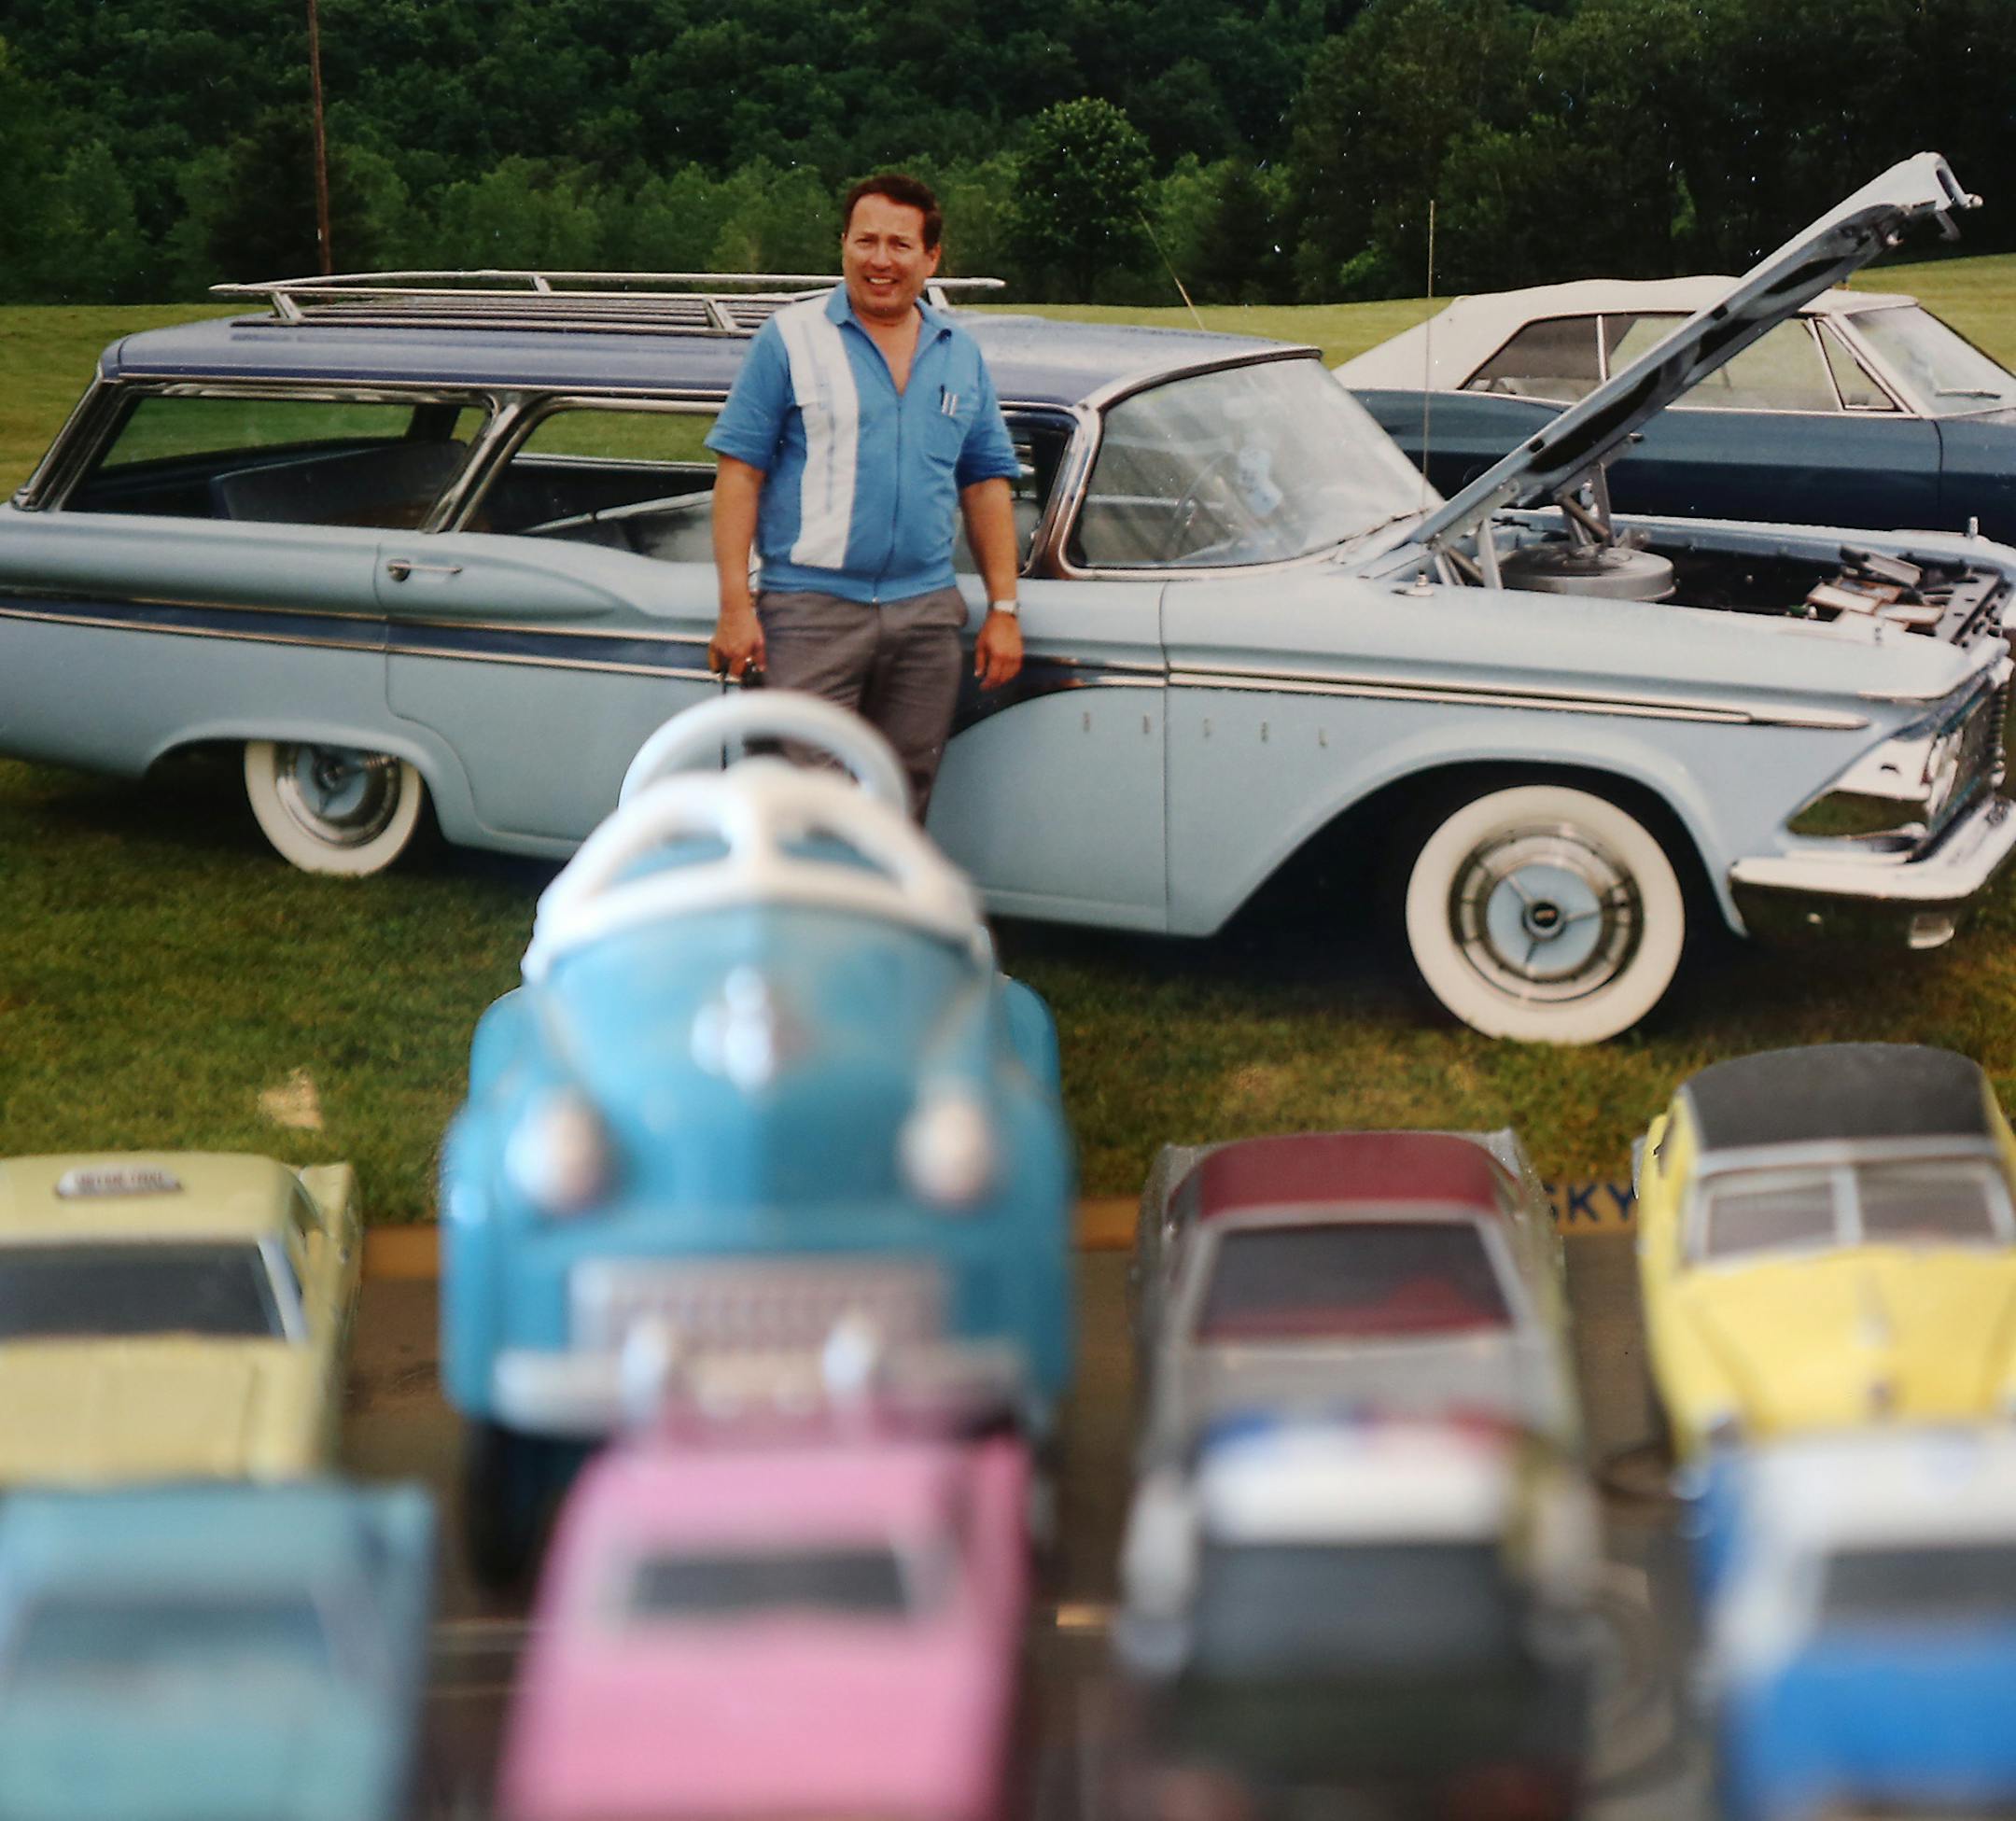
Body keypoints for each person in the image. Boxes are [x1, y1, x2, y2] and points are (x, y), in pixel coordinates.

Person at [705, 172, 1025, 819]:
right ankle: (809, 917)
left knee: (902, 792)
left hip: (926, 613)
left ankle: (882, 916)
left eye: (901, 245)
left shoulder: (960, 352)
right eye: (866, 241)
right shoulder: (788, 338)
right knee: (809, 798)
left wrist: (1004, 607)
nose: (881, 260)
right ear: (844, 245)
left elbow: (986, 482)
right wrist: (736, 608)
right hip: (808, 611)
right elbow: (740, 473)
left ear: (931, 258)